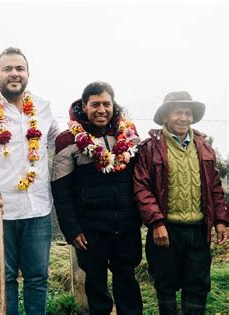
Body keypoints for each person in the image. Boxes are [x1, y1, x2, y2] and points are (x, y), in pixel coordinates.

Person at [0, 47, 60, 314]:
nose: (14, 73)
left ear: (28, 73)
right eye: (8, 69)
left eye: (20, 68)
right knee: (4, 279)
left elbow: (58, 142)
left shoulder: (43, 107)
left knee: (37, 278)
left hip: (37, 208)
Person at [51, 81, 143, 314]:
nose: (101, 110)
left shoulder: (128, 134)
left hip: (126, 226)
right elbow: (61, 191)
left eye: (106, 104)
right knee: (96, 288)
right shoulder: (67, 140)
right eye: (95, 105)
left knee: (128, 283)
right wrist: (72, 230)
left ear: (113, 105)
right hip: (90, 230)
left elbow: (141, 179)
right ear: (84, 106)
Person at [133, 91, 228, 314]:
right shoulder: (149, 148)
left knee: (197, 287)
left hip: (198, 230)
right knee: (165, 287)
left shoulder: (204, 147)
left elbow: (215, 186)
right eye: (178, 112)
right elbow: (142, 187)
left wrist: (221, 220)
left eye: (188, 113)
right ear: (165, 117)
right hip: (165, 231)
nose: (184, 118)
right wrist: (156, 223)